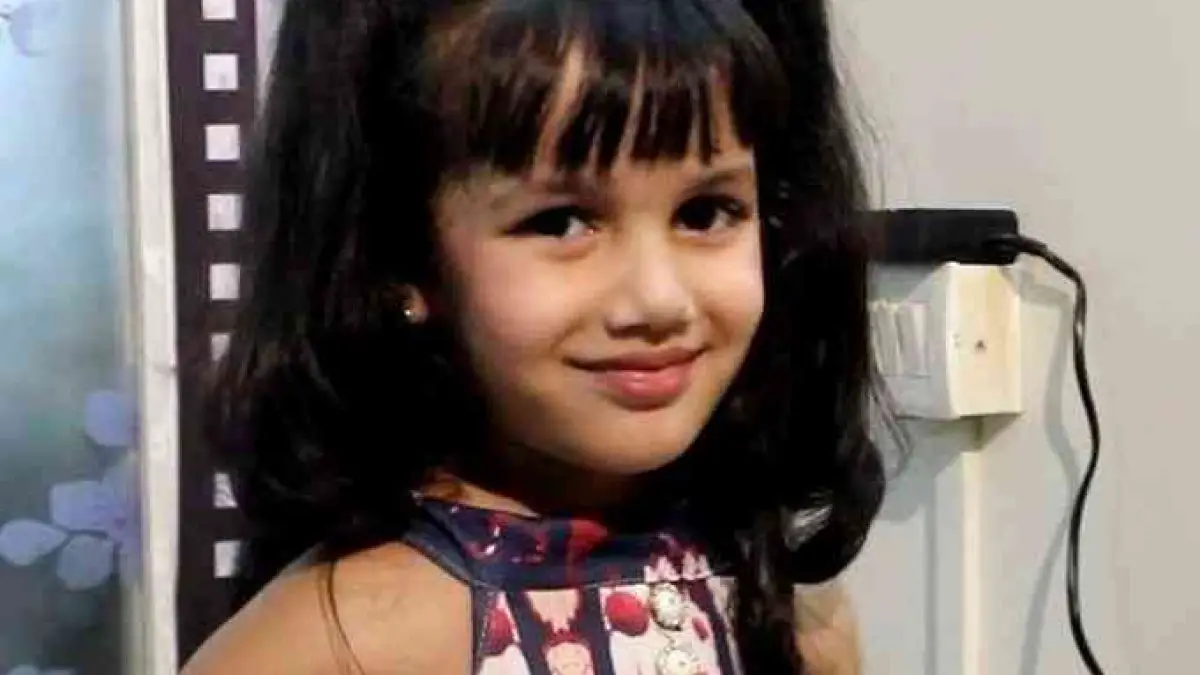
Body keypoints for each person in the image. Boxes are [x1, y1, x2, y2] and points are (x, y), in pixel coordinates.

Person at [184, 0, 888, 673]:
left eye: (706, 213)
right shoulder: (342, 644)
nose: (659, 299)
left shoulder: (790, 611)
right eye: (561, 222)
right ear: (402, 258)